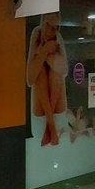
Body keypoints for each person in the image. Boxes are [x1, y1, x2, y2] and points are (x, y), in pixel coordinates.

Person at [26, 13, 68, 146]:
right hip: (40, 109)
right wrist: (44, 52)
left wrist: (44, 54)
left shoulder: (57, 38)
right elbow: (30, 79)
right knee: (40, 73)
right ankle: (51, 127)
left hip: (57, 106)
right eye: (48, 26)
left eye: (55, 28)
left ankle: (49, 127)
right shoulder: (36, 34)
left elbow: (64, 70)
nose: (51, 32)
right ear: (42, 23)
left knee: (55, 75)